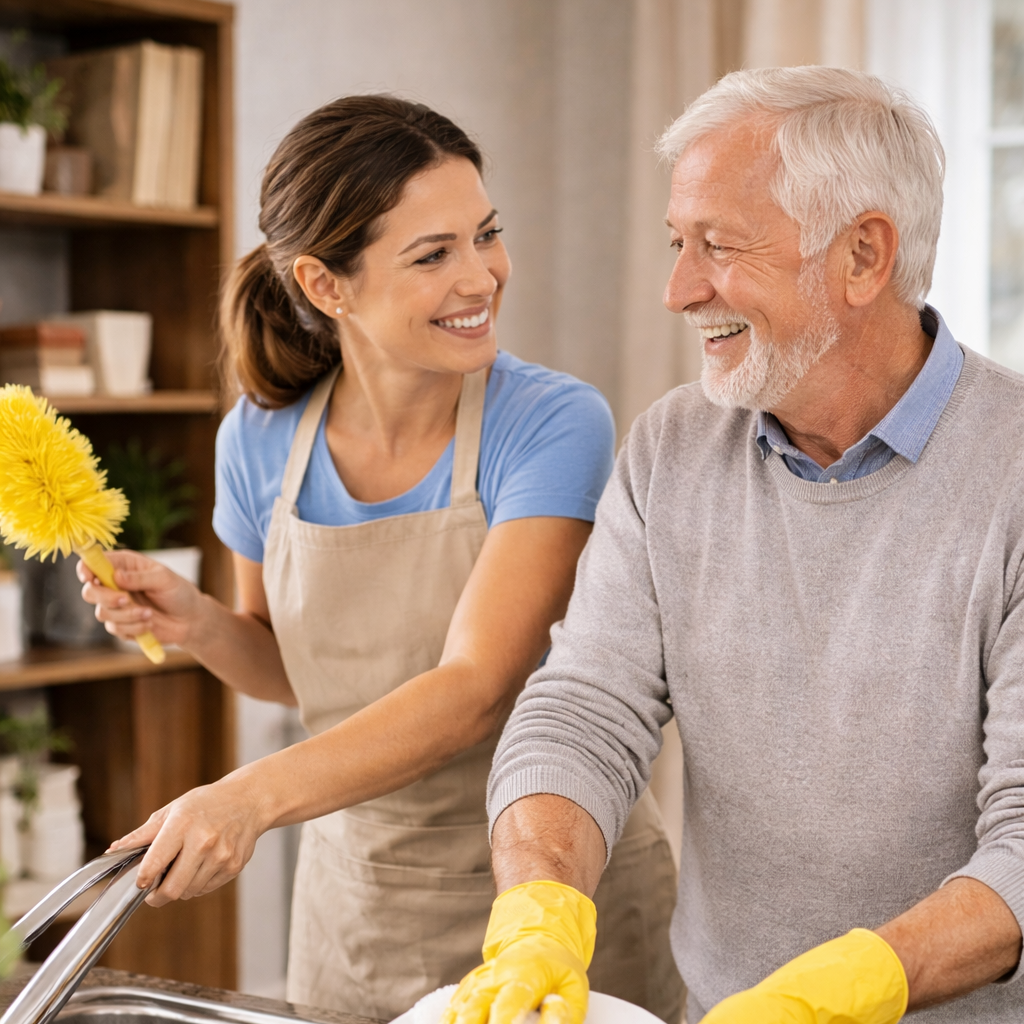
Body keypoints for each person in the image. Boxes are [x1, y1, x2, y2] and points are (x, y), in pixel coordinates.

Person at [77, 96, 683, 1022]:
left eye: (486, 234)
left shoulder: (552, 422)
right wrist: (198, 623)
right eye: (433, 255)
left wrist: (246, 798)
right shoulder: (259, 440)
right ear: (327, 284)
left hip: (544, 895)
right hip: (355, 912)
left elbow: (477, 684)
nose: (482, 276)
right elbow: (293, 672)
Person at [442, 67, 1024, 1024]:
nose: (677, 290)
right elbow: (587, 707)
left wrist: (840, 992)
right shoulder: (672, 450)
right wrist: (538, 906)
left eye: (717, 246)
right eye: (679, 242)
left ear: (863, 256)